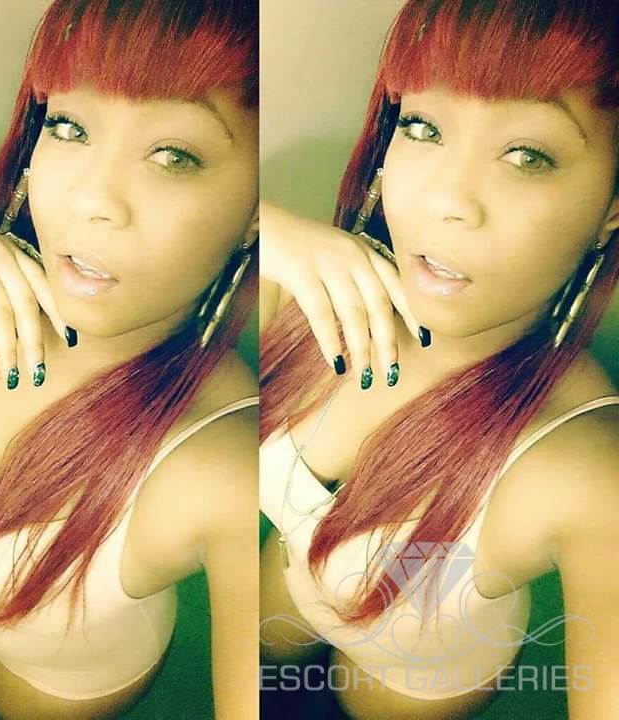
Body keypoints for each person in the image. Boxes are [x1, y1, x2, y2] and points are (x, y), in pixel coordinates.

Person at [259, 1, 619, 718]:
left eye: (527, 155)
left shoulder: (583, 468)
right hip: (287, 586)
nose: (445, 199)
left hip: (412, 671)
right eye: (423, 127)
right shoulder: (302, 297)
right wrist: (270, 233)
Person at [0, 1, 258, 719]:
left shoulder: (222, 461)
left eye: (173, 155)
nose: (90, 197)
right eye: (68, 127)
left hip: (62, 671)